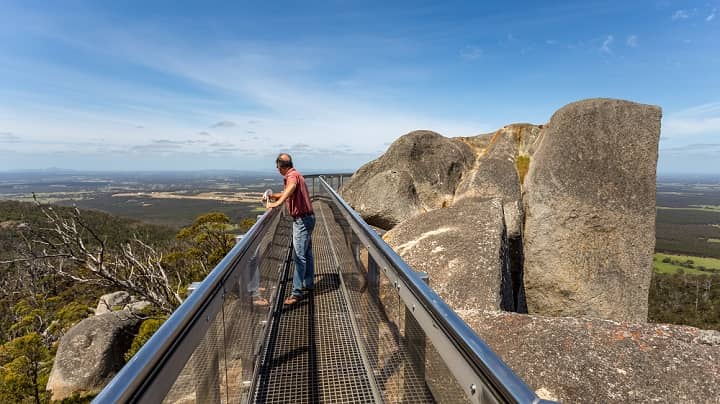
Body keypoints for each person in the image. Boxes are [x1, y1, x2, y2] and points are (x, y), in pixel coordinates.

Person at [264, 153, 315, 306]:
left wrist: (277, 203)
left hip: (302, 220)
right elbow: (289, 191)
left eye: (278, 167)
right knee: (306, 253)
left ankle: (296, 293)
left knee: (299, 257)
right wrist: (273, 196)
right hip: (308, 218)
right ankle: (308, 283)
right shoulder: (296, 174)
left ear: (281, 166)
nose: (278, 169)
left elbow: (291, 187)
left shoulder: (292, 176)